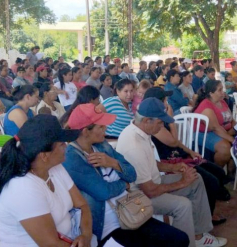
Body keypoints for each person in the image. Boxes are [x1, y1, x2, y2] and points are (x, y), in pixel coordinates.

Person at [64, 104, 190, 247]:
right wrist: (125, 185)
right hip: (107, 226)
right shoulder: (72, 158)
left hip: (131, 211)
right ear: (86, 131)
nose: (106, 129)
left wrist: (113, 163)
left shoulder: (101, 145)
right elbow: (103, 192)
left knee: (180, 239)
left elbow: (132, 174)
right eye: (101, 127)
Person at [116, 98, 227, 247]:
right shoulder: (134, 145)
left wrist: (173, 168)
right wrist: (181, 182)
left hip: (152, 183)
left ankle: (199, 235)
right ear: (147, 120)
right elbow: (149, 191)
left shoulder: (141, 131)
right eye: (160, 123)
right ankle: (186, 243)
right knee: (182, 205)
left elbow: (148, 163)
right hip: (139, 196)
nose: (162, 126)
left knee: (196, 178)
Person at [0, 115, 93, 247]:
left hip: (70, 237)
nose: (66, 146)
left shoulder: (54, 167)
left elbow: (82, 205)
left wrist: (86, 235)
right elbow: (50, 244)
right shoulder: (23, 189)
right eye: (61, 144)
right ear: (44, 155)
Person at [145, 87, 230, 222]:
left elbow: (177, 143)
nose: (168, 103)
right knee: (210, 181)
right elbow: (173, 142)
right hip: (171, 162)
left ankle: (207, 209)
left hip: (181, 156)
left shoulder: (161, 119)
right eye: (165, 100)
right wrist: (172, 120)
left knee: (218, 172)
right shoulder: (154, 123)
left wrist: (190, 152)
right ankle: (205, 218)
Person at [193, 80, 234, 168]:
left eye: (222, 89)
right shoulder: (206, 106)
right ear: (211, 93)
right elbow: (215, 128)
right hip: (204, 133)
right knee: (225, 147)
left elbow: (231, 119)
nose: (223, 92)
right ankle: (218, 172)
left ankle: (231, 172)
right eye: (220, 90)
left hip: (220, 130)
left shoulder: (221, 102)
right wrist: (233, 140)